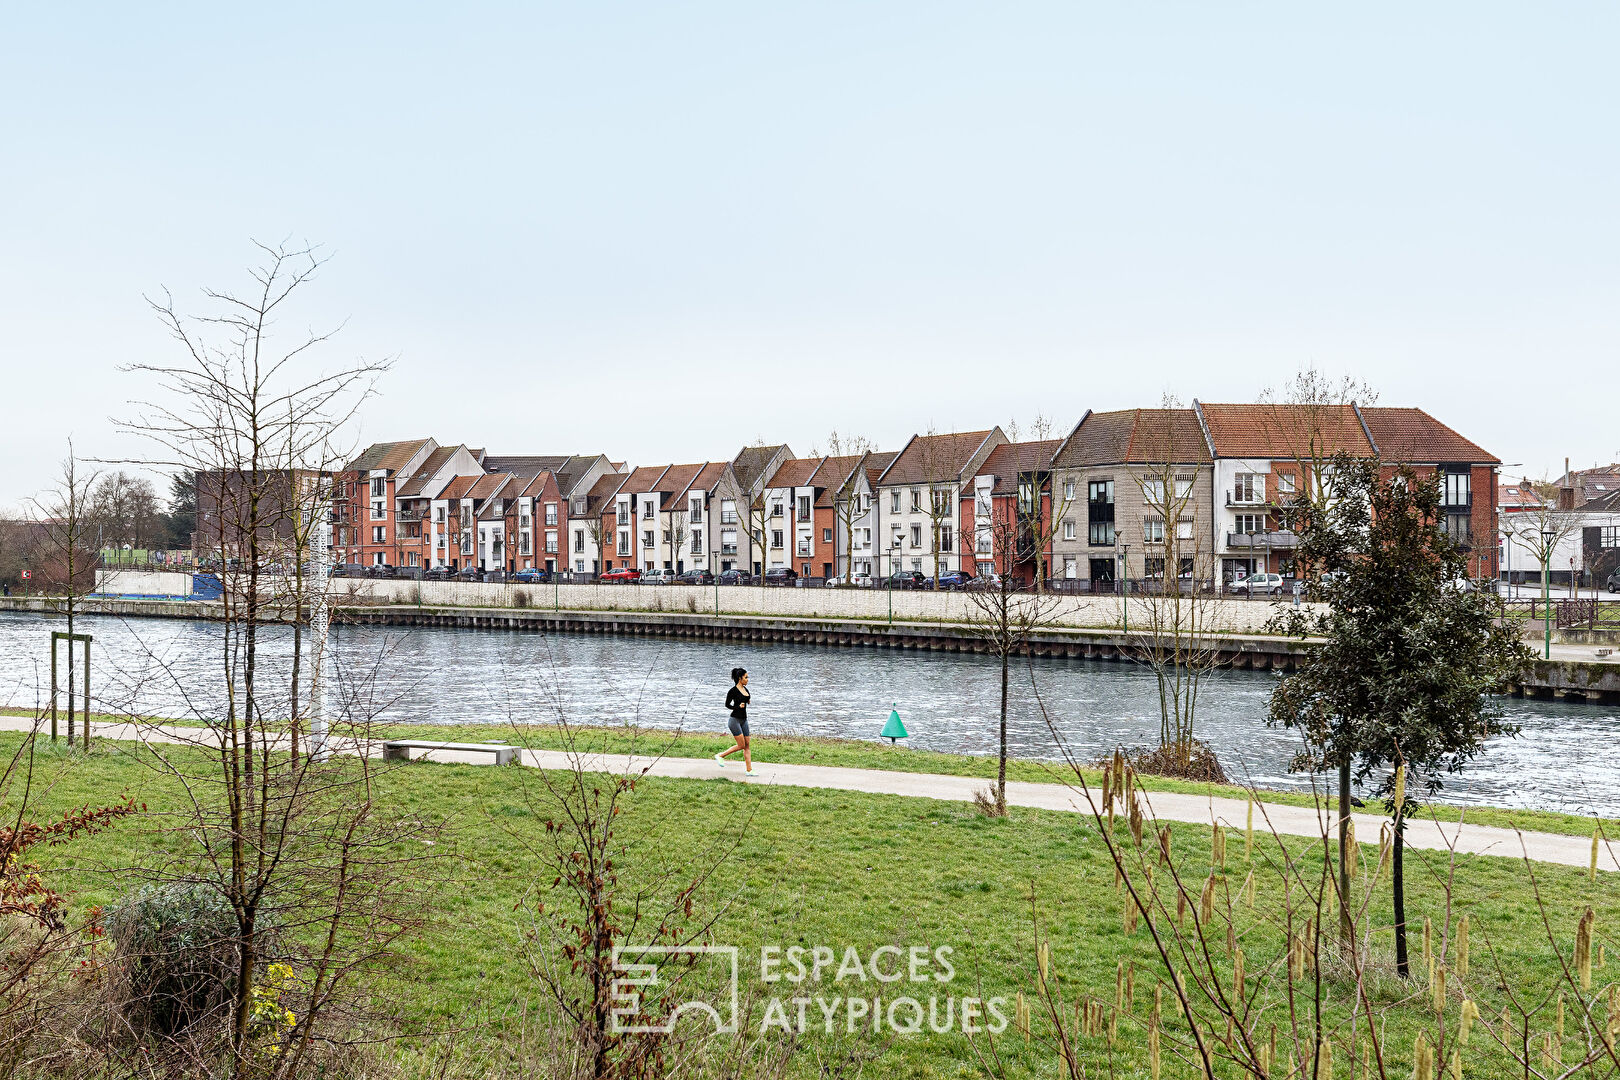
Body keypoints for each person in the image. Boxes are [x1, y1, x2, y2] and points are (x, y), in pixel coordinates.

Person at [715, 667, 756, 776]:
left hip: (744, 720)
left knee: (747, 745)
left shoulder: (745, 689)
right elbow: (727, 705)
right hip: (734, 720)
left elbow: (746, 698)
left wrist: (748, 701)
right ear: (740, 678)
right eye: (746, 677)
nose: (748, 679)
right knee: (741, 745)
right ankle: (720, 756)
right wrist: (737, 706)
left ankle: (749, 770)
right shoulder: (732, 691)